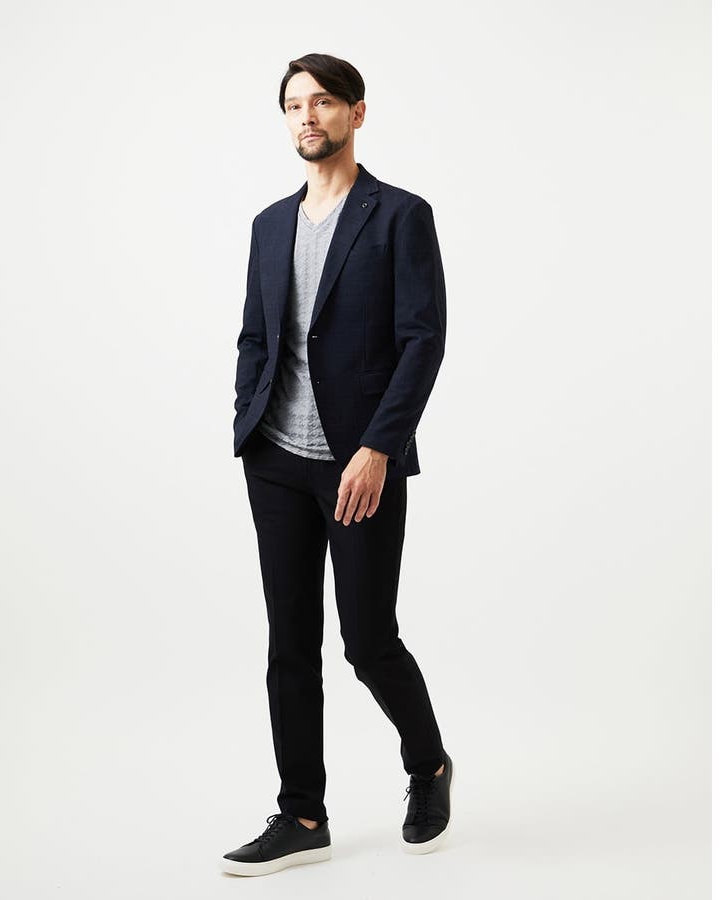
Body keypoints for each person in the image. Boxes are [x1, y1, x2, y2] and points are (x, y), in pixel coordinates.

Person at [221, 52, 453, 877]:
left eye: (322, 102)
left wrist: (379, 448)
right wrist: (247, 419)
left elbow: (423, 339)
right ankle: (302, 814)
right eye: (294, 105)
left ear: (357, 112)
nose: (307, 116)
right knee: (290, 643)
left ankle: (428, 765)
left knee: (368, 639)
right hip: (276, 464)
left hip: (360, 466)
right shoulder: (268, 225)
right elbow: (257, 335)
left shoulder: (400, 215)